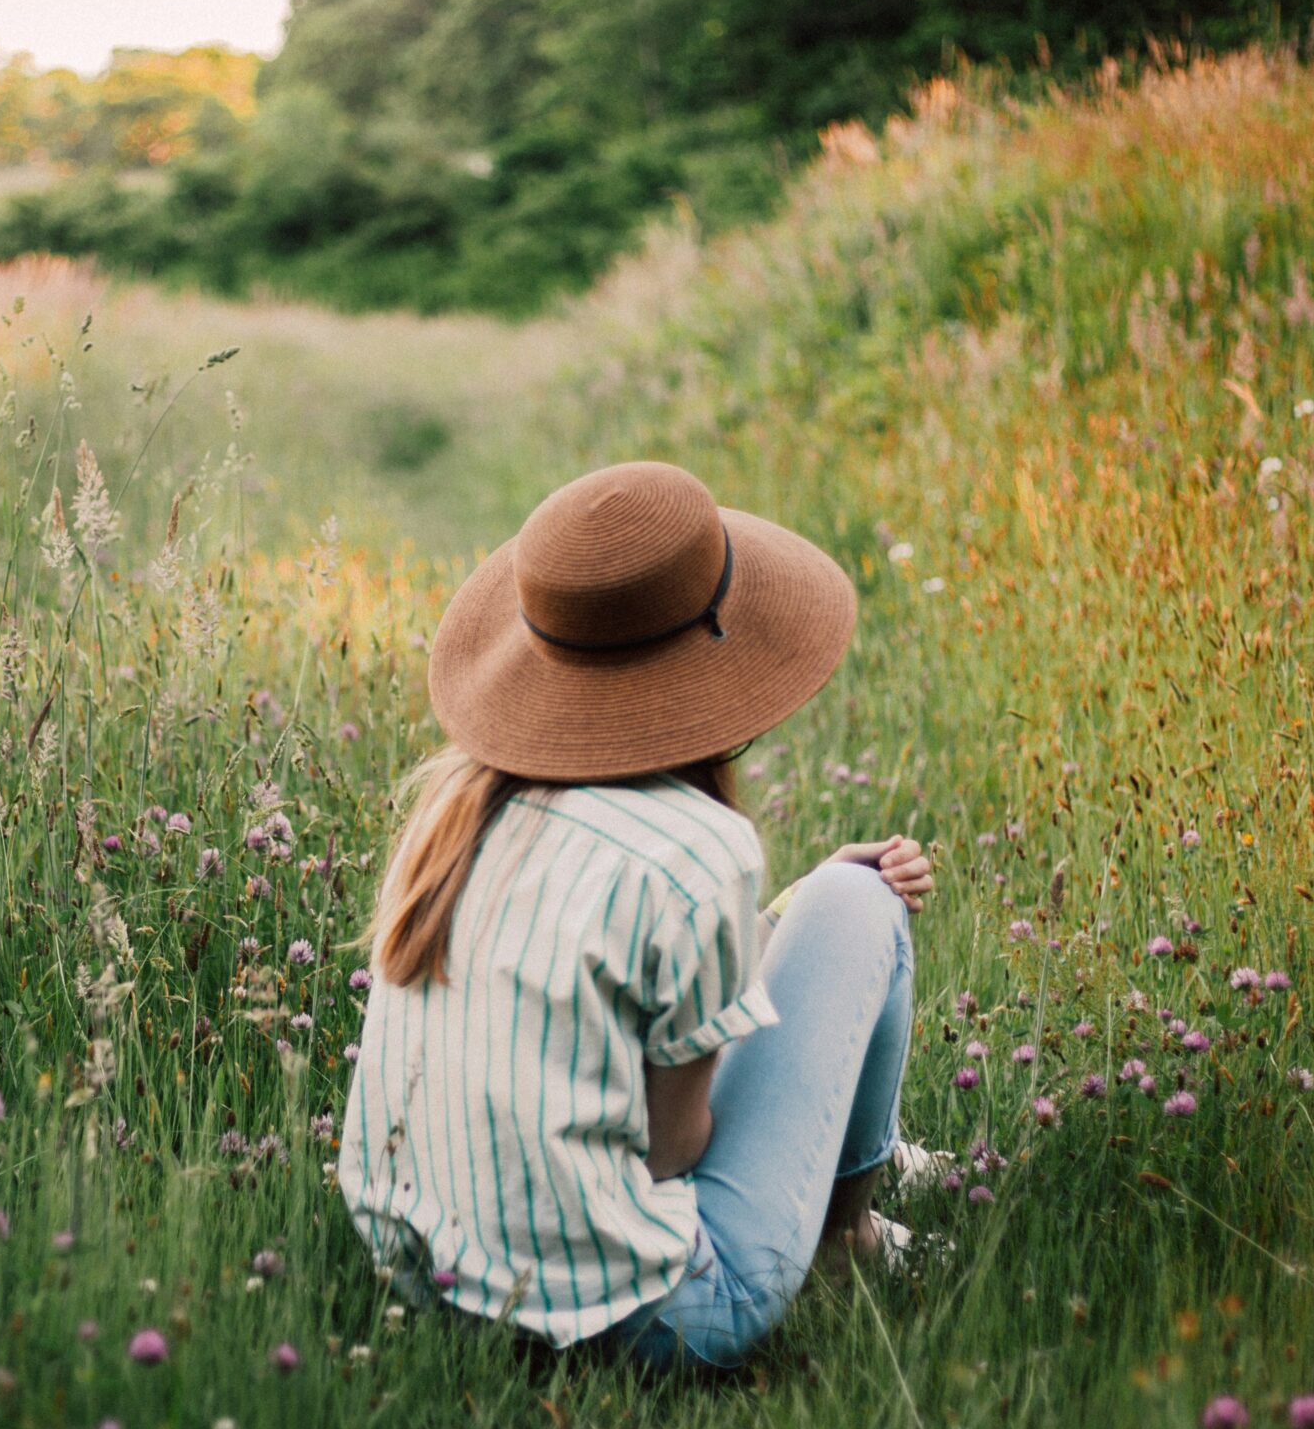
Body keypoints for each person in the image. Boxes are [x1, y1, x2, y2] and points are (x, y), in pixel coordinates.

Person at [337, 460, 934, 1370]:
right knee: (861, 899)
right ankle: (841, 1241)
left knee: (818, 904)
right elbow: (672, 1151)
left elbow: (601, 972)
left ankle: (865, 1167)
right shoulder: (697, 855)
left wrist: (768, 922)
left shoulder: (451, 813)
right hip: (660, 1314)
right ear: (715, 657)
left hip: (433, 1284)